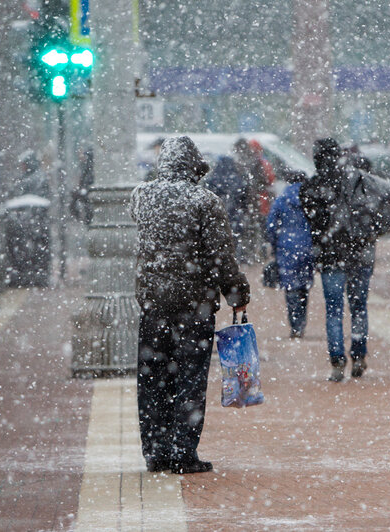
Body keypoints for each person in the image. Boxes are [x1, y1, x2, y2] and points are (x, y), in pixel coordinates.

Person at [130, 136, 251, 474]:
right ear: (193, 166)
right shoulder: (204, 201)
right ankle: (184, 452)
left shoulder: (142, 196)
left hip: (154, 306)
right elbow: (220, 256)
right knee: (190, 378)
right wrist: (236, 292)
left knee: (153, 379)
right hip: (193, 307)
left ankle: (156, 451)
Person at [299, 138, 376, 382]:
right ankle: (359, 355)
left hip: (331, 256)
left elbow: (311, 221)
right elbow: (369, 211)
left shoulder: (311, 186)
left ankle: (337, 360)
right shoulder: (353, 180)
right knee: (359, 307)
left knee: (334, 310)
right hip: (358, 254)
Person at [266, 171, 313, 338]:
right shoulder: (310, 199)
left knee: (290, 286)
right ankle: (301, 322)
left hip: (286, 248)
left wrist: (274, 243)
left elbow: (271, 225)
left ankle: (295, 324)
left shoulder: (281, 199)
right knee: (304, 287)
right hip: (308, 246)